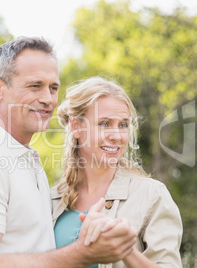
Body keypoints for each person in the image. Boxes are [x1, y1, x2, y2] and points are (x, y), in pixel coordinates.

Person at [0, 37, 137, 268]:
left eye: (53, 88)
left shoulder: (27, 161)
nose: (48, 99)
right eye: (35, 86)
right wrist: (82, 254)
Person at [52, 76, 183, 267]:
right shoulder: (51, 201)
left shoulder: (152, 196)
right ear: (76, 126)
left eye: (123, 125)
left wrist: (124, 249)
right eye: (105, 123)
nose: (117, 136)